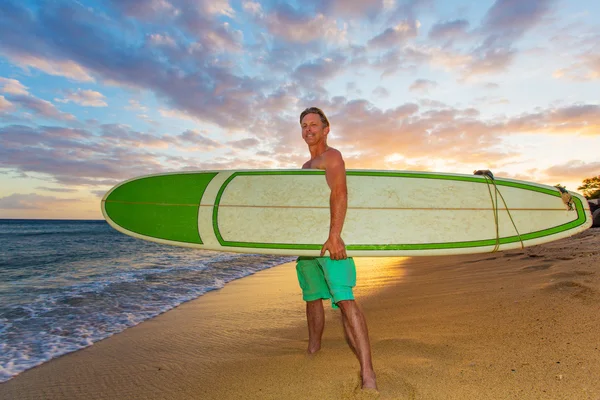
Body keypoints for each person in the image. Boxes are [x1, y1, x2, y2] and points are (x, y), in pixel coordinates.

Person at [296, 107, 377, 390]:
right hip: (309, 244)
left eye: (313, 124)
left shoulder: (332, 157)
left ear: (326, 129)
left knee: (344, 299)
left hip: (331, 240)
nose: (308, 129)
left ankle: (368, 374)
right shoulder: (306, 167)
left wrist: (335, 236)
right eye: (304, 125)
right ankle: (313, 350)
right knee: (312, 297)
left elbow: (339, 192)